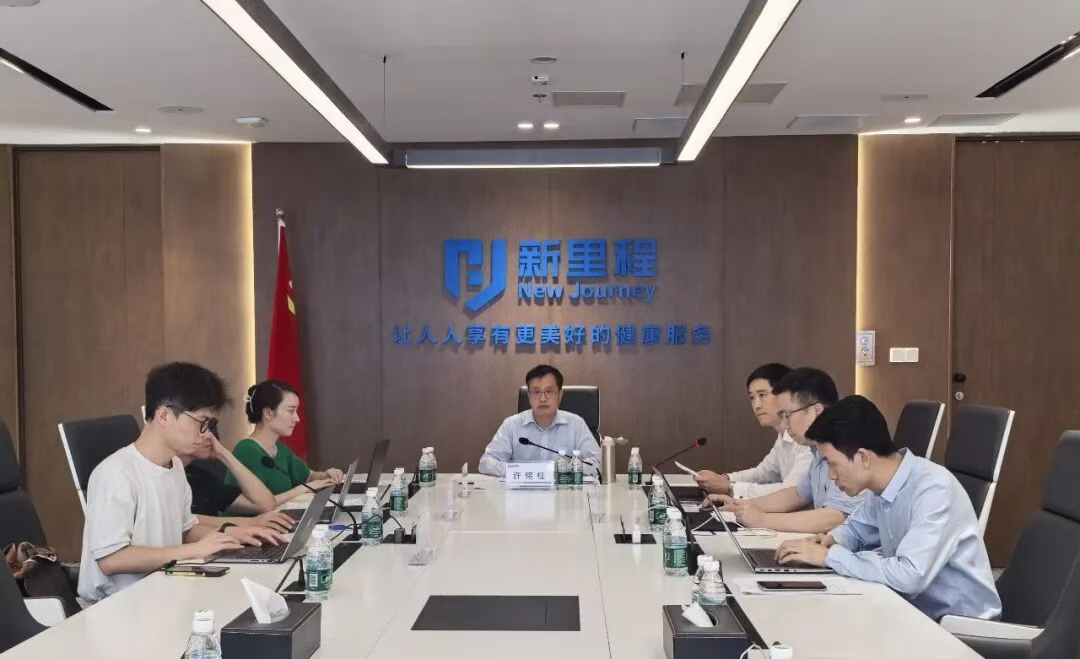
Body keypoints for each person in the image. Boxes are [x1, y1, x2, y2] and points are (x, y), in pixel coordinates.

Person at [776, 395, 1001, 620]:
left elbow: (909, 576)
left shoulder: (934, 489)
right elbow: (856, 530)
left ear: (863, 457)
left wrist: (829, 556)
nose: (831, 475)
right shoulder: (883, 486)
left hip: (958, 626)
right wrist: (831, 541)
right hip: (913, 612)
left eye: (832, 464)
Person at [79, 362, 267, 603]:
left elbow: (185, 530)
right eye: (202, 421)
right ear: (165, 416)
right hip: (116, 605)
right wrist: (192, 551)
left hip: (163, 593)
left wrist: (232, 534)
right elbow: (111, 559)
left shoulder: (175, 466)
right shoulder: (116, 473)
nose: (206, 433)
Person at [706, 367, 865, 533]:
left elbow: (836, 517)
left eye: (787, 415)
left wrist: (762, 519)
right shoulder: (816, 449)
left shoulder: (849, 447)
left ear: (816, 411)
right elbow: (798, 494)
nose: (784, 424)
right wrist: (742, 505)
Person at [695, 363, 812, 498]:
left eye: (762, 395)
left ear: (785, 395)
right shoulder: (783, 435)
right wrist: (725, 479)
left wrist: (730, 488)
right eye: (752, 398)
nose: (756, 405)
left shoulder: (806, 437)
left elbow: (793, 492)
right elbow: (764, 473)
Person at [479, 364, 600, 477]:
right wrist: (521, 471)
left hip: (563, 490)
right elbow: (486, 462)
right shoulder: (511, 425)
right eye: (536, 392)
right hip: (522, 491)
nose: (542, 399)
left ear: (560, 395)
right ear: (529, 396)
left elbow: (597, 463)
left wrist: (559, 470)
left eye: (549, 392)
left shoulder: (576, 424)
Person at [227, 380, 344, 495]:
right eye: (291, 411)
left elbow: (308, 476)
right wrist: (301, 490)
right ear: (268, 413)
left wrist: (325, 475)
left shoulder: (279, 448)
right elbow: (261, 503)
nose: (297, 419)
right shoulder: (247, 450)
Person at [182, 427, 296, 534]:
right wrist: (251, 522)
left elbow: (267, 504)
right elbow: (186, 522)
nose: (209, 435)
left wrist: (223, 454)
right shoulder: (172, 480)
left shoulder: (199, 475)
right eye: (201, 424)